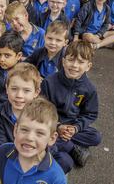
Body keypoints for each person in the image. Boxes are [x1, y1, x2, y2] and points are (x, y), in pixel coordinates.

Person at [42, 41, 101, 173]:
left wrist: (75, 128)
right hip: (51, 125)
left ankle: (64, 143)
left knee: (95, 136)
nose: (74, 65)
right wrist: (57, 126)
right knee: (64, 159)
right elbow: (42, 111)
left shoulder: (89, 89)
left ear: (88, 66)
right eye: (71, 60)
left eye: (81, 62)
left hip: (72, 126)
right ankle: (72, 148)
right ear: (63, 61)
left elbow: (90, 114)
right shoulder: (49, 82)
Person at [0, 31, 25, 109]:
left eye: (7, 55)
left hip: (15, 108)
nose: (2, 59)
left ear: (19, 56)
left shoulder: (24, 72)